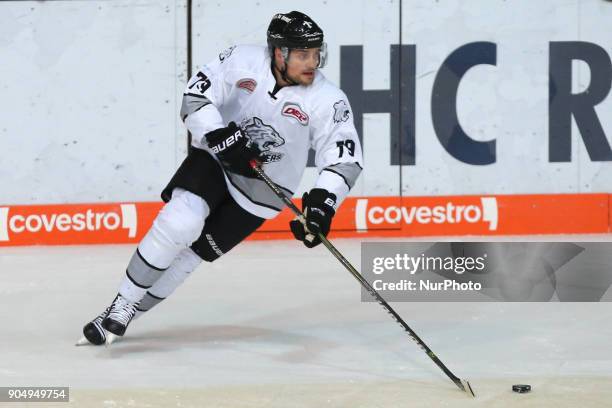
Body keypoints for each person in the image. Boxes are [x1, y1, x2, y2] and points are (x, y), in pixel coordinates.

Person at [79, 10, 363, 346]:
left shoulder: (328, 99)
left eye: (316, 53)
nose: (312, 62)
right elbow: (195, 97)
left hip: (264, 193)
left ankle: (123, 314)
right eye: (302, 54)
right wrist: (219, 136)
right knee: (179, 223)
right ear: (278, 52)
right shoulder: (242, 60)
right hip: (217, 161)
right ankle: (123, 303)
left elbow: (345, 158)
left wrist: (322, 204)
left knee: (191, 256)